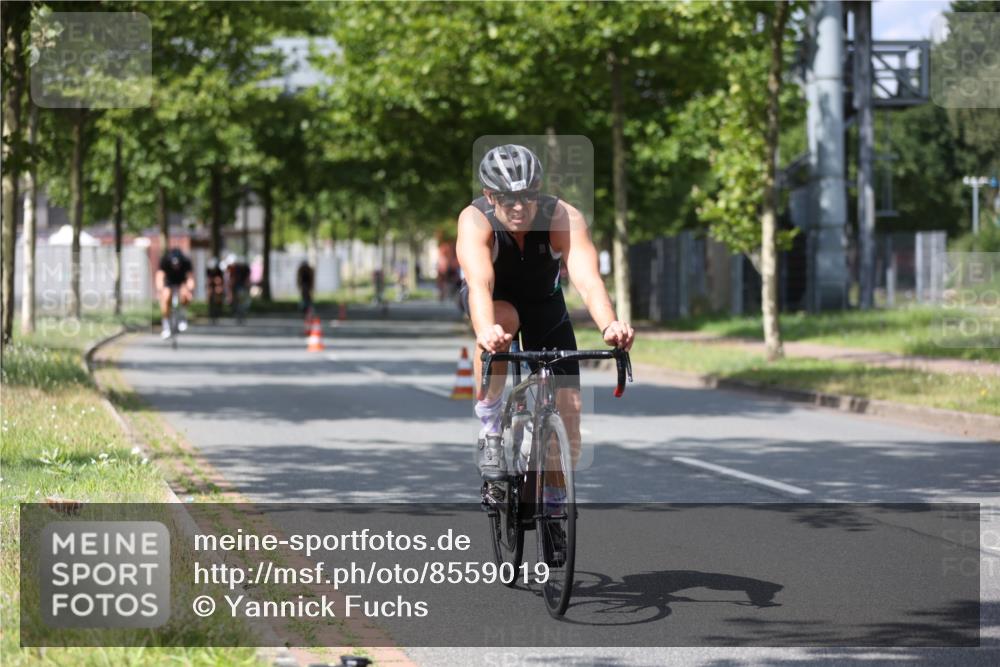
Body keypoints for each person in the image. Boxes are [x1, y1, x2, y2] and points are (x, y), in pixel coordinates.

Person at [456, 144, 635, 489]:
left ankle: (552, 502)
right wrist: (485, 331)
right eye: (509, 199)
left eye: (529, 196)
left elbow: (588, 280)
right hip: (496, 301)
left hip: (544, 303)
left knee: (570, 408)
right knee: (502, 322)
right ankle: (491, 428)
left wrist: (609, 325)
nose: (520, 207)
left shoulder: (561, 217)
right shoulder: (475, 220)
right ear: (490, 196)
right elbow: (479, 284)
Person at [155, 248, 195, 339]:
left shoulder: (186, 262)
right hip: (168, 282)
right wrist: (160, 291)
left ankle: (182, 317)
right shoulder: (165, 261)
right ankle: (166, 327)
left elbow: (190, 278)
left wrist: (190, 290)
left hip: (181, 281)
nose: (175, 266)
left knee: (185, 294)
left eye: (177, 264)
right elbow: (159, 277)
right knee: (166, 297)